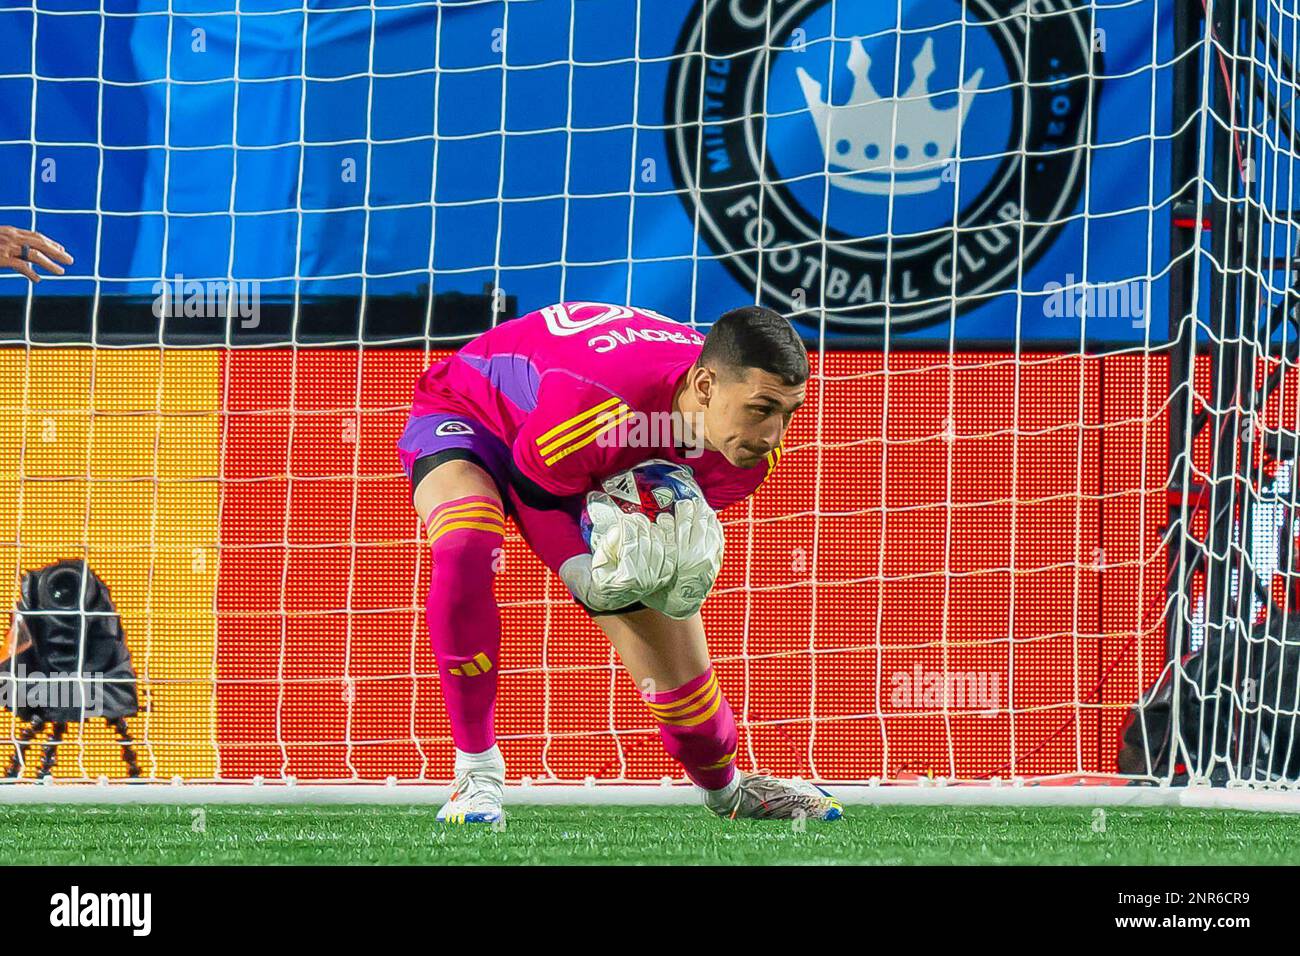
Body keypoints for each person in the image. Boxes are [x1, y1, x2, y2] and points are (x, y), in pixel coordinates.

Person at [399, 301, 842, 823]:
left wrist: (652, 560)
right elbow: (535, 494)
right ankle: (476, 773)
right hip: (477, 418)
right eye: (762, 409)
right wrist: (578, 571)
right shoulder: (602, 399)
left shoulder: (746, 458)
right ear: (704, 387)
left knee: (696, 720)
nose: (774, 436)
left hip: (586, 460)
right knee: (466, 542)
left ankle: (730, 792)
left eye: (789, 413)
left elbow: (621, 499)